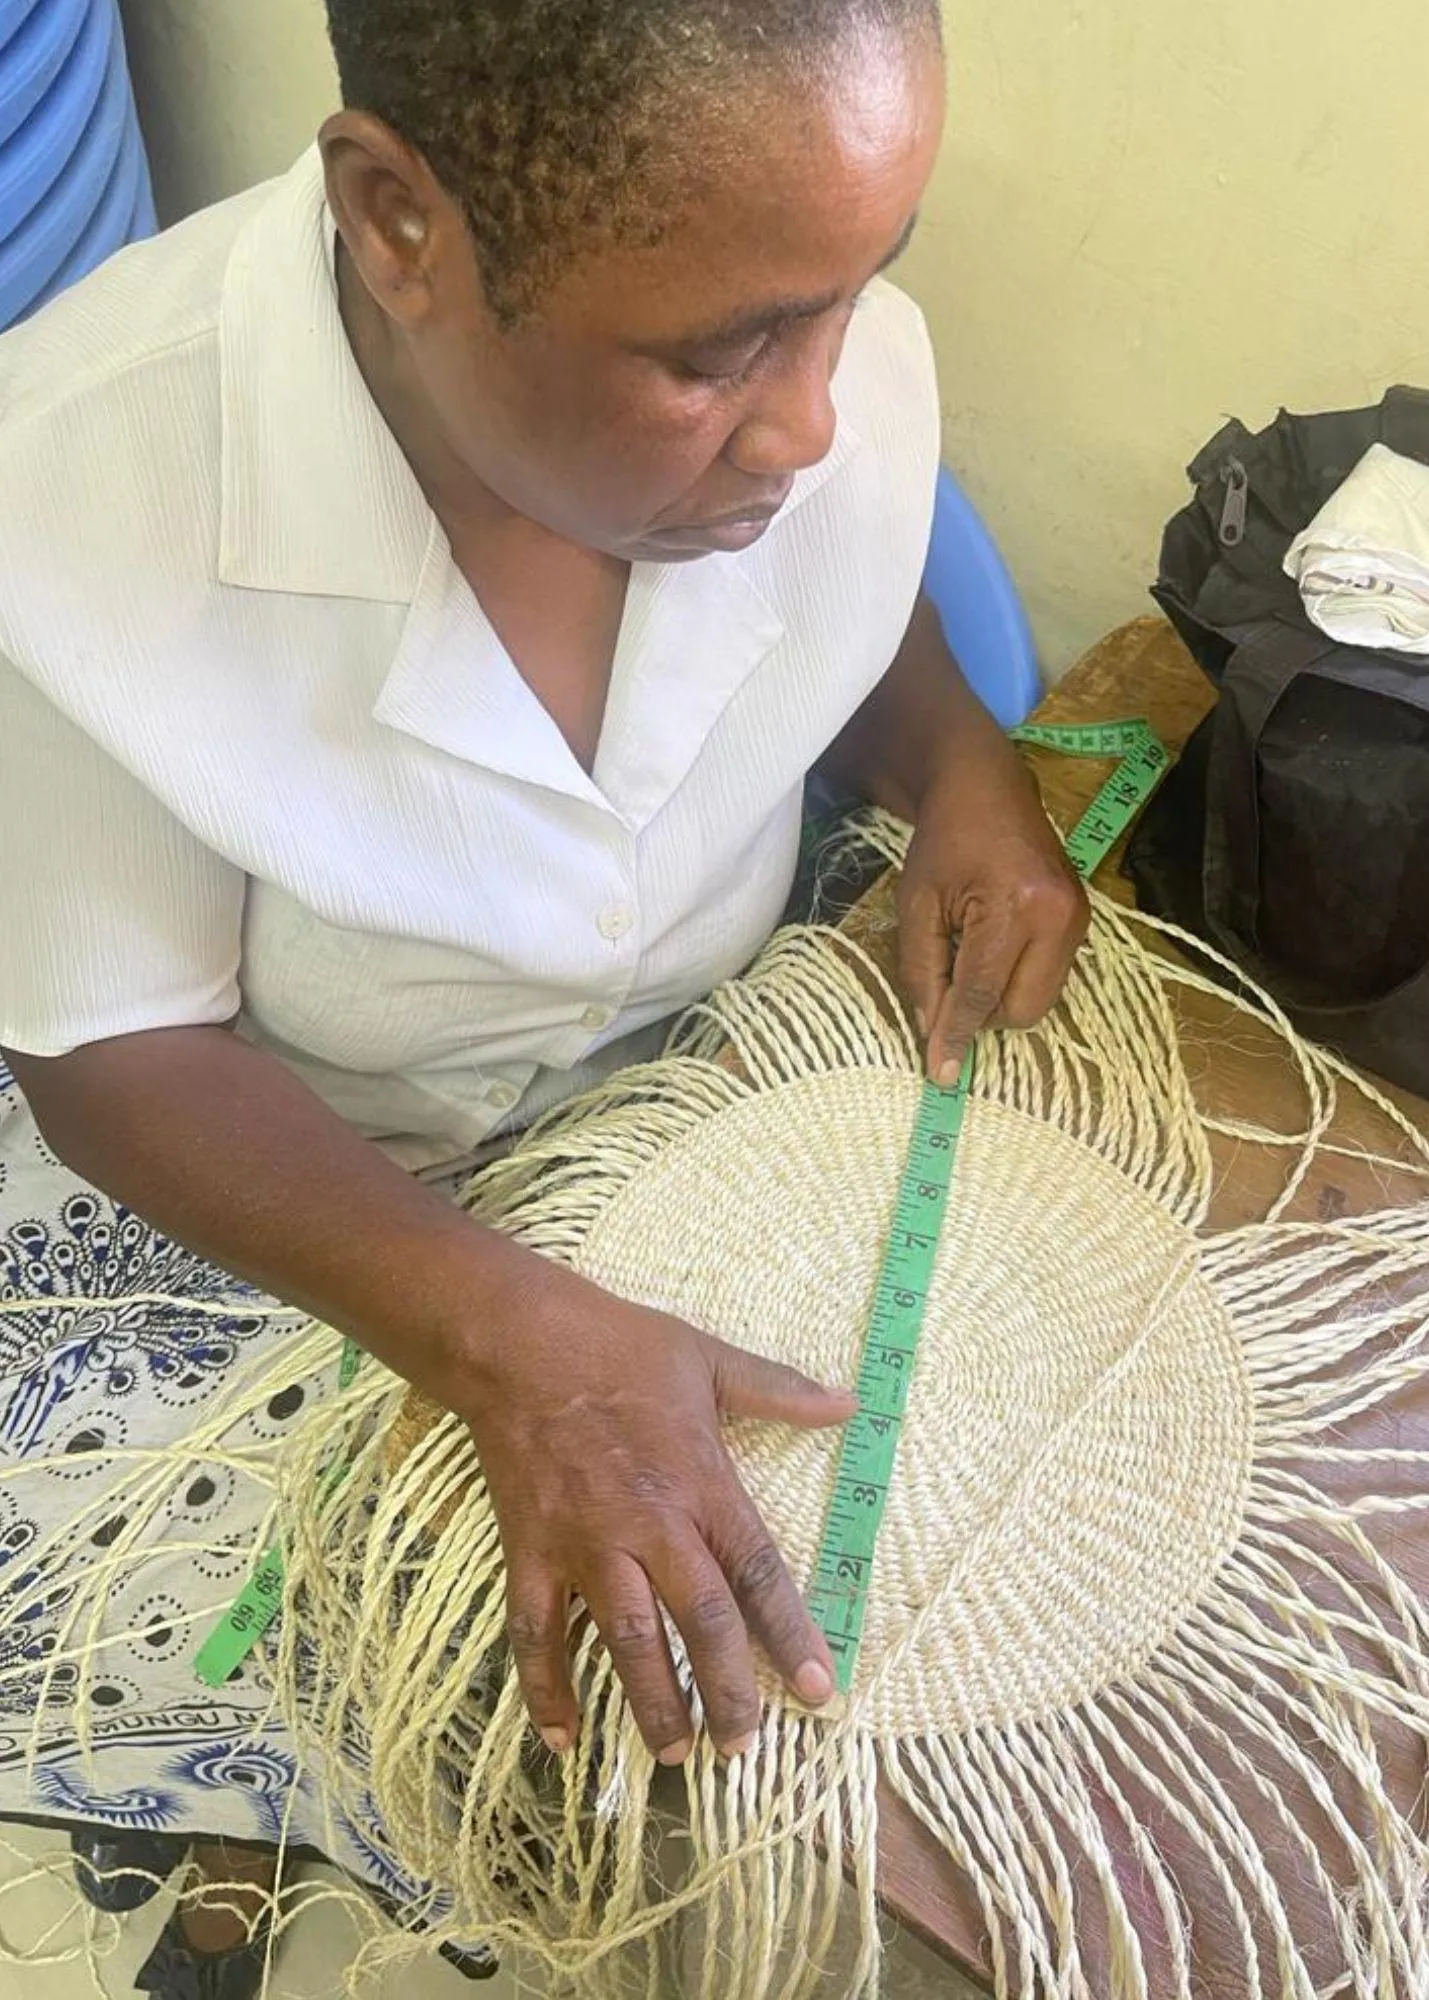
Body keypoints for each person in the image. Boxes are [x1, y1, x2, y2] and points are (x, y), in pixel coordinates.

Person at [0, 0, 1087, 1991]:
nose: (816, 421)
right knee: (385, 1692)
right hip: (321, 1165)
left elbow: (855, 588)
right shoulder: (66, 514)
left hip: (697, 1053)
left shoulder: (779, 346)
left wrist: (958, 771)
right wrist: (508, 1335)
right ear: (400, 220)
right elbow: (115, 1056)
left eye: (862, 296)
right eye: (717, 355)